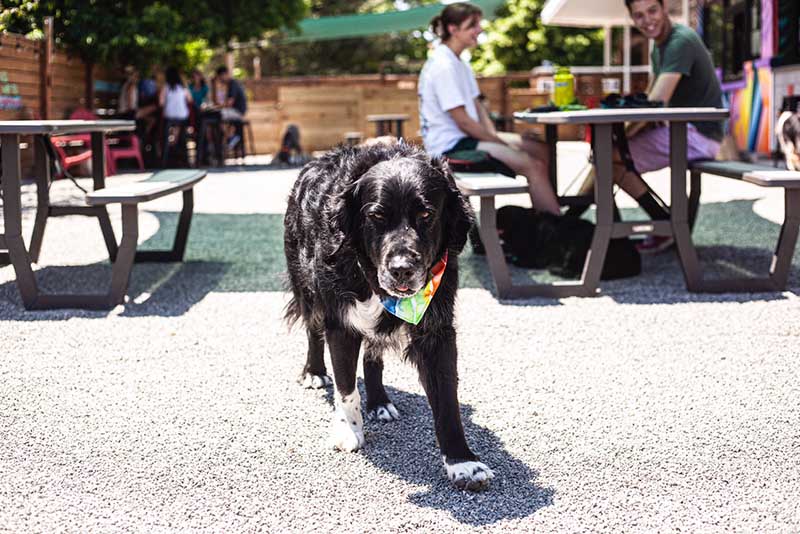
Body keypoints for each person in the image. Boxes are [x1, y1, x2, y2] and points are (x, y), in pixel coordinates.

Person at [570, 0, 724, 253]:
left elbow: (656, 103)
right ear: (632, 19)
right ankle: (575, 221)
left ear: (665, 9)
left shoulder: (680, 41)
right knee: (606, 156)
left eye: (652, 11)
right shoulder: (659, 46)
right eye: (639, 15)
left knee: (609, 157)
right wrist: (623, 133)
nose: (647, 20)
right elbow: (650, 100)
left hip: (699, 135)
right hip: (684, 130)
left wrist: (621, 136)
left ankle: (658, 224)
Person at [418, 2, 561, 215]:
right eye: (472, 25)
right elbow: (464, 122)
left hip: (467, 139)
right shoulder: (443, 65)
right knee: (533, 165)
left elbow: (478, 106)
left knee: (540, 149)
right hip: (450, 148)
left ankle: (543, 209)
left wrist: (495, 136)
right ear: (453, 29)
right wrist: (501, 143)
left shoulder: (459, 63)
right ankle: (555, 229)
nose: (480, 29)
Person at [159, 66, 193, 165]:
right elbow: (190, 100)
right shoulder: (183, 87)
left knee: (168, 128)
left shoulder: (166, 87)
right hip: (182, 117)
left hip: (169, 116)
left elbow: (161, 103)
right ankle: (180, 153)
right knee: (178, 129)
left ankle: (165, 157)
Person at [214, 65, 248, 151]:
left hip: (238, 112)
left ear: (224, 74)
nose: (220, 80)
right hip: (234, 111)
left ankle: (231, 137)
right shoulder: (230, 85)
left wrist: (217, 107)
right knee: (217, 116)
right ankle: (229, 137)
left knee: (218, 115)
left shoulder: (233, 84)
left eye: (220, 77)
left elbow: (229, 103)